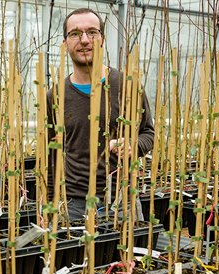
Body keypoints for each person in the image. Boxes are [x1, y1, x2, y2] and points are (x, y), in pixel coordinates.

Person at [47, 8, 155, 222]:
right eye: (75, 34)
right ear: (65, 42)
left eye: (92, 32)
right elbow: (50, 155)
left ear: (102, 39)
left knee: (125, 256)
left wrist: (134, 144)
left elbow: (148, 133)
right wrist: (51, 203)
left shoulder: (128, 86)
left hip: (122, 201)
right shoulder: (56, 95)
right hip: (73, 204)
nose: (84, 40)